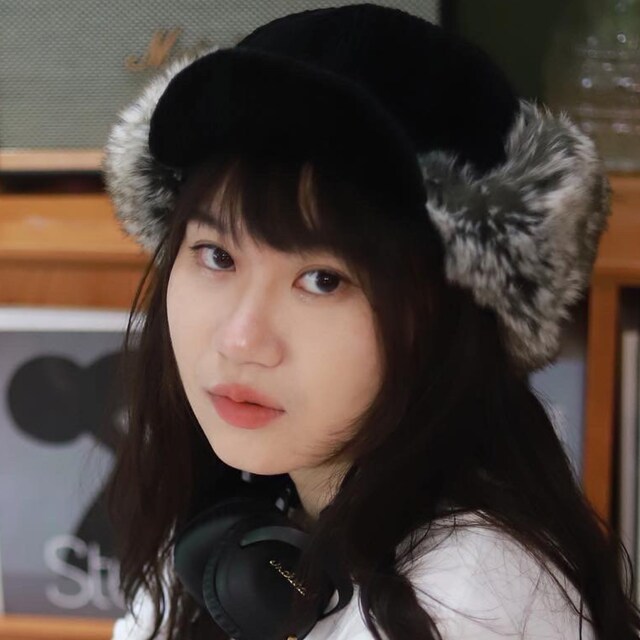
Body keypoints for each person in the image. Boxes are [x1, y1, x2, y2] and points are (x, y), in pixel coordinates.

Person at [102, 4, 639, 639]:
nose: (241, 338)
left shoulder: (468, 601)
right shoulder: (242, 525)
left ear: (447, 316)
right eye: (217, 256)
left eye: (322, 280)